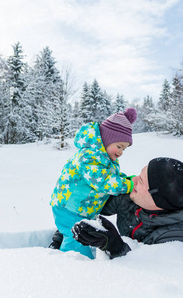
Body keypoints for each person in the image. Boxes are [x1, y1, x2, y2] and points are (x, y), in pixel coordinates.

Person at [49, 108, 138, 259]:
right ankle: (73, 267)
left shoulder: (105, 159)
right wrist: (127, 185)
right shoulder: (89, 157)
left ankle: (60, 248)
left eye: (124, 148)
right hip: (69, 207)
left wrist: (126, 179)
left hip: (81, 208)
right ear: (107, 139)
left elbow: (110, 176)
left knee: (78, 236)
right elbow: (102, 181)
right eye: (119, 146)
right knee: (76, 241)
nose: (121, 151)